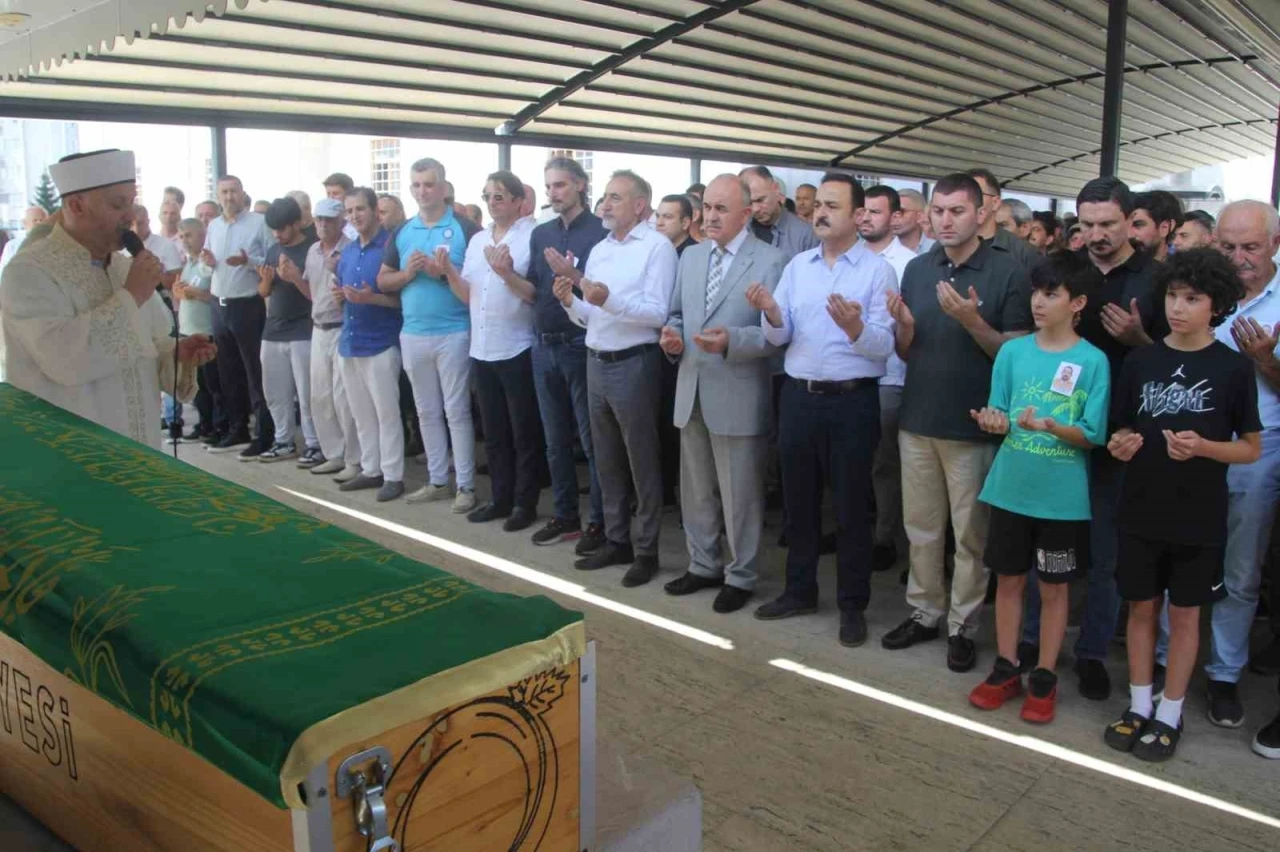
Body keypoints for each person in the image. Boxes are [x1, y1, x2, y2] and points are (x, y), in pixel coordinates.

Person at [1104, 248, 1260, 763]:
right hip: (1140, 507)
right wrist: (1120, 444)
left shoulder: (1233, 368)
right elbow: (1121, 429)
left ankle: (1171, 712)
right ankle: (1138, 704)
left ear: (1217, 304)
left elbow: (1250, 448)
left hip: (1199, 514)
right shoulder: (1141, 361)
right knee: (1141, 608)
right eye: (1173, 295)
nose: (1178, 307)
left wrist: (1205, 448)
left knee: (1187, 615)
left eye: (1193, 298)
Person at [1021, 176, 1167, 702]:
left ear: (1131, 220)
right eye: (1087, 224)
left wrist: (1138, 339)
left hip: (1119, 434)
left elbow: (1175, 361)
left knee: (1105, 553)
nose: (1097, 234)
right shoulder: (1065, 269)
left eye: (1108, 223)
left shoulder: (1156, 279)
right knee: (1045, 544)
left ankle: (1091, 652)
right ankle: (1035, 641)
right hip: (1056, 431)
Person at [881, 172, 1033, 673]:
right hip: (919, 418)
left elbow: (1014, 357)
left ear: (981, 213)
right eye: (939, 211)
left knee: (970, 536)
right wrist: (904, 328)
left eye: (957, 211)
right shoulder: (918, 269)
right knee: (922, 528)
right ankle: (925, 612)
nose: (946, 221)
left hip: (973, 425)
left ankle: (962, 625)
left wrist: (972, 320)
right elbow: (908, 350)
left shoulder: (1008, 272)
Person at [749, 173, 894, 647]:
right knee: (799, 503)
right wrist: (771, 312)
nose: (821, 213)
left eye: (833, 206)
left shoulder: (877, 271)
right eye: (818, 206)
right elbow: (780, 335)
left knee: (850, 508)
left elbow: (884, 346)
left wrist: (855, 329)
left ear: (858, 215)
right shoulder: (799, 267)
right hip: (799, 398)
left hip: (853, 401)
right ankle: (800, 590)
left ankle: (852, 605)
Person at [967, 253, 1110, 723]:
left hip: (1061, 500)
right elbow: (998, 412)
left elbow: (1093, 435)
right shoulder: (1012, 353)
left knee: (1053, 588)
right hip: (1010, 490)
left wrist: (1053, 426)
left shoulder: (1093, 361)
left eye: (1051, 294)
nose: (1038, 303)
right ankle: (1006, 666)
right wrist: (993, 421)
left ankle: (1044, 675)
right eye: (1036, 292)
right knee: (1008, 580)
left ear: (1078, 303)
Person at [0, 149, 216, 448]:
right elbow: (64, 360)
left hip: (138, 447)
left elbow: (144, 348)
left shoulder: (124, 267)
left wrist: (175, 354)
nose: (130, 216)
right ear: (76, 206)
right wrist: (132, 295)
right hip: (71, 454)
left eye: (131, 202)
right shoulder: (28, 271)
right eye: (117, 204)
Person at [659, 174, 786, 613]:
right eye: (707, 207)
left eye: (721, 209)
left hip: (738, 391)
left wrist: (733, 340)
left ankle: (741, 574)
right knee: (695, 489)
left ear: (746, 214)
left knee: (740, 495)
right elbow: (677, 314)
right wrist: (672, 337)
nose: (709, 216)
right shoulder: (693, 257)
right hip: (691, 385)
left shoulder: (771, 261)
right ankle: (703, 564)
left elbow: (777, 335)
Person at [554, 169, 677, 587]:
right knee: (605, 458)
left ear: (640, 206)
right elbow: (592, 315)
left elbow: (657, 313)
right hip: (597, 359)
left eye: (615, 198)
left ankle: (647, 550)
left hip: (634, 362)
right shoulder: (601, 248)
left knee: (641, 460)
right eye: (605, 197)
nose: (604, 205)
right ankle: (616, 539)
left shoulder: (657, 248)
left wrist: (609, 299)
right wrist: (570, 302)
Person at [1193, 200, 1280, 729]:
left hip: (1257, 451)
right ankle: (1167, 661)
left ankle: (1224, 674)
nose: (1238, 257)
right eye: (1227, 246)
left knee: (1240, 570)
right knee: (1179, 558)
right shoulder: (1197, 290)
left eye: (1250, 246)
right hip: (1189, 447)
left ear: (1274, 244)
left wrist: (1265, 360)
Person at [437, 171, 542, 529]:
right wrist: (448, 272)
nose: (492, 203)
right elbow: (468, 296)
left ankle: (524, 504)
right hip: (482, 347)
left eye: (499, 196)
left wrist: (506, 273)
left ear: (518, 201)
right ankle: (500, 498)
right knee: (495, 433)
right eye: (487, 197)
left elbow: (534, 294)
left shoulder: (531, 236)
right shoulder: (478, 239)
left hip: (516, 346)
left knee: (523, 433)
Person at [377, 158, 476, 513]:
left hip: (454, 330)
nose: (423, 191)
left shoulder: (465, 227)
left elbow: (478, 286)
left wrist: (442, 272)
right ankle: (437, 481)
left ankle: (465, 484)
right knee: (426, 410)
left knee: (457, 411)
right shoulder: (404, 230)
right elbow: (383, 280)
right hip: (413, 332)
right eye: (417, 185)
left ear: (444, 187)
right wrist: (407, 274)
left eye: (429, 184)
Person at [527, 156, 609, 553]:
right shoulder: (541, 233)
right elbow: (533, 288)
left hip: (581, 343)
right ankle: (565, 515)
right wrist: (503, 273)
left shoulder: (600, 233)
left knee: (592, 441)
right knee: (554, 439)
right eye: (548, 186)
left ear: (580, 184)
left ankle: (601, 521)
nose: (553, 193)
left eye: (559, 185)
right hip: (543, 343)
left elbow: (605, 291)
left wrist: (574, 277)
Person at [859, 185, 916, 573]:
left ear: (895, 217)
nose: (866, 218)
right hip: (848, 372)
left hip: (891, 376)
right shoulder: (846, 258)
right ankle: (854, 530)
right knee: (853, 461)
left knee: (885, 463)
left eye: (875, 212)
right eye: (862, 211)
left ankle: (884, 536)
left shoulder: (909, 264)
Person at [336, 187, 404, 501]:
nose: (354, 216)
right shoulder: (348, 251)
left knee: (387, 413)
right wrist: (341, 297)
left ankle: (393, 475)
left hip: (381, 342)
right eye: (349, 211)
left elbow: (401, 301)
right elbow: (343, 294)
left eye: (360, 209)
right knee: (361, 413)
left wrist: (370, 298)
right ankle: (371, 469)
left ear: (375, 210)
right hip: (350, 340)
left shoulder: (391, 247)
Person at [203, 175, 274, 458]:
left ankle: (264, 433)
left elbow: (271, 261)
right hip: (219, 304)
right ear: (217, 195)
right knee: (228, 371)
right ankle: (237, 427)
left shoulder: (258, 223)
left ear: (243, 193)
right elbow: (208, 265)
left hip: (247, 305)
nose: (229, 197)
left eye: (233, 191)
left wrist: (248, 261)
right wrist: (207, 263)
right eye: (224, 192)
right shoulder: (214, 226)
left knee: (254, 371)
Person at [255, 196, 320, 464]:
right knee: (275, 391)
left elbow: (319, 295)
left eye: (282, 228)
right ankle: (283, 440)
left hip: (304, 330)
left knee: (307, 394)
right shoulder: (273, 250)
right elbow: (264, 292)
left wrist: (294, 277)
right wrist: (266, 281)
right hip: (273, 329)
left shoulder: (313, 249)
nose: (277, 234)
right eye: (273, 229)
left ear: (296, 224)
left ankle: (314, 443)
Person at [302, 197, 359, 480]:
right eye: (319, 219)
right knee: (320, 395)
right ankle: (333, 454)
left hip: (342, 326)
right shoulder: (313, 251)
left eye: (329, 219)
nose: (323, 224)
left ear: (341, 222)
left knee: (343, 397)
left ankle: (353, 459)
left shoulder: (351, 250)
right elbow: (311, 291)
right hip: (318, 327)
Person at [172, 217, 223, 443]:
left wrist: (196, 294)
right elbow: (183, 293)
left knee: (214, 385)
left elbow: (218, 297)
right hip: (188, 331)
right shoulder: (188, 264)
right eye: (182, 236)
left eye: (189, 235)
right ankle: (204, 424)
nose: (185, 240)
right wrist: (178, 292)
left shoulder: (209, 262)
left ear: (203, 236)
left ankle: (219, 426)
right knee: (197, 385)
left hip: (206, 330)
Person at [739, 166, 818, 259]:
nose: (755, 209)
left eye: (760, 200)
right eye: (749, 203)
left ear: (776, 189)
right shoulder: (739, 230)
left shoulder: (806, 235)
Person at [968, 169, 1038, 271]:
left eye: (976, 195)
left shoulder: (1024, 253)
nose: (967, 201)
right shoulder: (948, 245)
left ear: (995, 202)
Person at [1131, 190, 1182, 263]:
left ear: (1165, 227)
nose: (1129, 234)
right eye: (1126, 225)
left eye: (1138, 225)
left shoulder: (1185, 268)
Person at [896, 189, 935, 255]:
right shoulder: (881, 249)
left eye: (901, 211)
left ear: (919, 216)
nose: (895, 216)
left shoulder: (935, 250)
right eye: (892, 211)